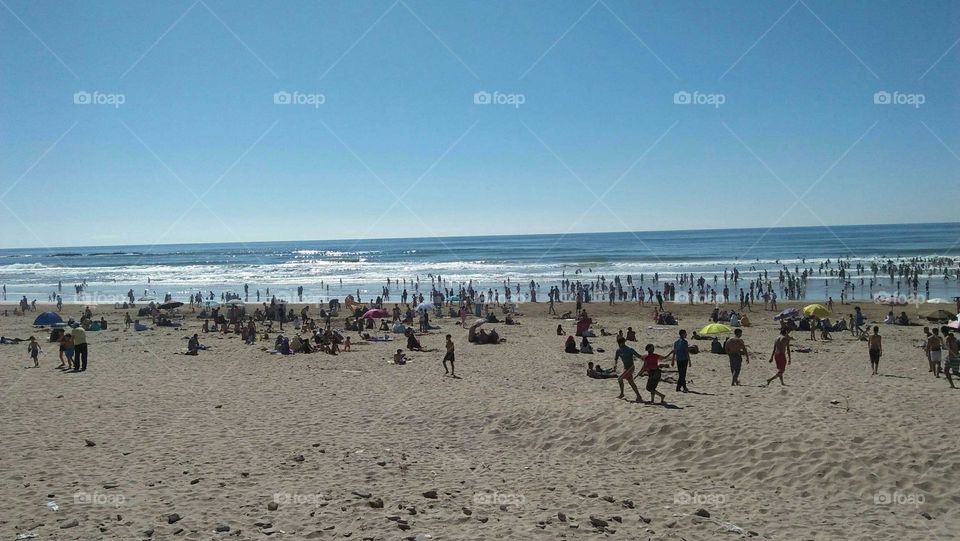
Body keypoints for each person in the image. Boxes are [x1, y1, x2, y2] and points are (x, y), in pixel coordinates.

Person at [614, 337, 643, 402]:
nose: (619, 344)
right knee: (631, 382)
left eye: (620, 343)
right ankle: (639, 396)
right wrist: (615, 365)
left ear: (623, 342)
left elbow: (639, 356)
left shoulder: (629, 349)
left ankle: (622, 394)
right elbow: (616, 358)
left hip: (631, 367)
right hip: (625, 368)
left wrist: (646, 358)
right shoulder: (618, 350)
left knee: (619, 378)